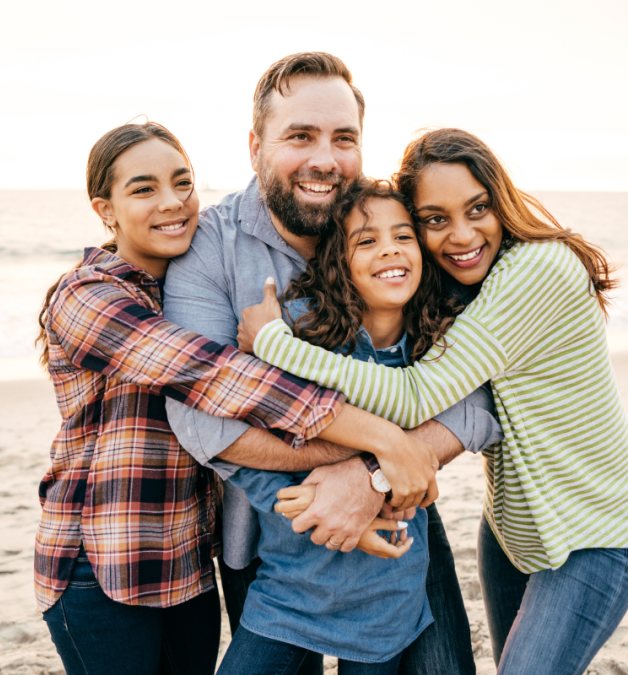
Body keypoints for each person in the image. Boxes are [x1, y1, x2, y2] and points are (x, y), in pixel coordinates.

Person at [239, 128, 628, 675]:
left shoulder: (538, 270)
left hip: (597, 527)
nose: (462, 235)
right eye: (436, 220)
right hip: (515, 529)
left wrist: (276, 343)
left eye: (478, 208)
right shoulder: (466, 284)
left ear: (501, 202)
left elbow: (416, 395)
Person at [34, 121, 439, 675]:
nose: (173, 202)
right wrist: (383, 444)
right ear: (105, 209)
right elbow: (215, 376)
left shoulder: (182, 279)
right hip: (103, 562)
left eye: (182, 182)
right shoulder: (88, 297)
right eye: (144, 189)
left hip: (188, 560)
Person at [163, 53, 501, 675]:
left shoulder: (396, 235)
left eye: (343, 138)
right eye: (300, 136)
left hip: (399, 523)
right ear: (255, 144)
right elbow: (204, 419)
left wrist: (371, 477)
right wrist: (374, 454)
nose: (325, 158)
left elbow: (478, 395)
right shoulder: (208, 248)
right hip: (270, 545)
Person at [217, 179, 461, 675]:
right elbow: (247, 448)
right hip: (290, 588)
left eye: (403, 236)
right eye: (366, 240)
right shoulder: (304, 335)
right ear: (338, 262)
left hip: (386, 593)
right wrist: (305, 510)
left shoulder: (439, 351)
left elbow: (429, 465)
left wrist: (382, 491)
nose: (389, 248)